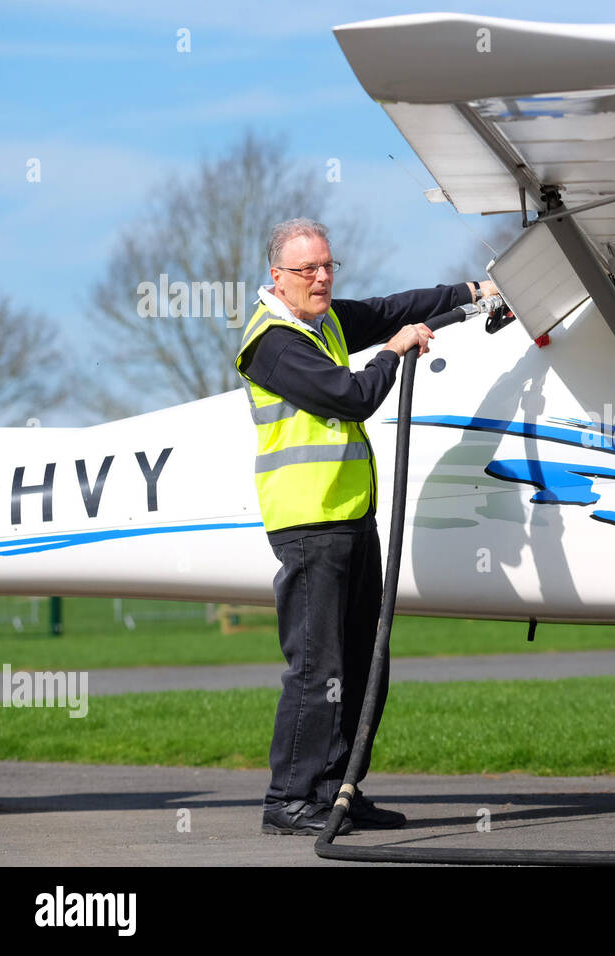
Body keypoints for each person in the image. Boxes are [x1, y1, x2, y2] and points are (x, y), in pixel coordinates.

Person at [235, 217, 497, 835]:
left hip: (348, 517)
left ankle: (339, 793)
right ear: (278, 277)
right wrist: (393, 352)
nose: (322, 277)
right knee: (316, 668)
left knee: (359, 661)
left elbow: (389, 308)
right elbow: (351, 397)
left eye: (328, 266)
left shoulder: (319, 320)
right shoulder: (273, 341)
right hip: (308, 524)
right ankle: (289, 801)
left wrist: (469, 293)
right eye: (307, 270)